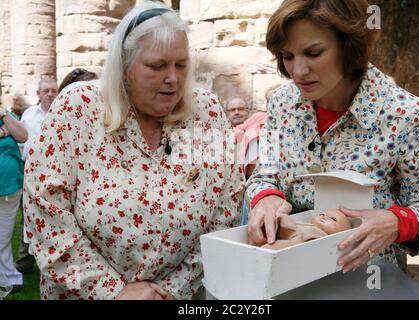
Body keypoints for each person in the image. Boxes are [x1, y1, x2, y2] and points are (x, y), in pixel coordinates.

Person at [23, 2, 244, 300]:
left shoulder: (207, 112)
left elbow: (227, 208)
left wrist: (173, 289)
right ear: (124, 66)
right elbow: (45, 212)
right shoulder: (77, 108)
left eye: (181, 65)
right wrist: (113, 292)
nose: (173, 79)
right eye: (157, 66)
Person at [246, 0, 419, 274]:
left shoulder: (406, 114)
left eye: (313, 53)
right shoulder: (281, 101)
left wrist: (398, 222)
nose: (298, 72)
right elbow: (264, 174)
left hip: (366, 280)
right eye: (287, 56)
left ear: (350, 46)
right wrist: (266, 197)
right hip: (287, 273)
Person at [15, 79, 58, 275]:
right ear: (38, 93)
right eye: (46, 91)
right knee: (29, 215)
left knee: (55, 217)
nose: (50, 94)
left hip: (56, 172)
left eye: (53, 90)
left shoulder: (63, 113)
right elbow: (21, 142)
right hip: (31, 172)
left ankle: (52, 262)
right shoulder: (28, 115)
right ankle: (24, 262)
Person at [0, 103, 28, 294]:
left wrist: (4, 115)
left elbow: (23, 136)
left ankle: (10, 277)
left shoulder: (7, 116)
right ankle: (10, 277)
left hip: (10, 186)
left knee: (3, 236)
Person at [262, 208, 353, 250]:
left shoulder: (321, 236)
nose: (325, 217)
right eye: (322, 214)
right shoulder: (308, 225)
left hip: (290, 245)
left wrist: (282, 218)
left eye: (333, 219)